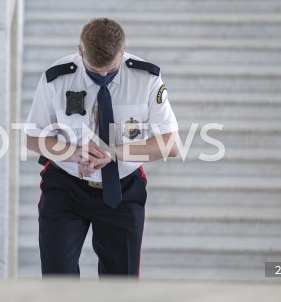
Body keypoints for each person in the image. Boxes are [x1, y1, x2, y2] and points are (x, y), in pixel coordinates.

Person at [25, 17, 179, 277]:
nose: (104, 76)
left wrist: (113, 153)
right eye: (95, 71)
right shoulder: (57, 77)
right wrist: (74, 153)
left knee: (121, 282)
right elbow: (32, 137)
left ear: (123, 50)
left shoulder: (147, 78)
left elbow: (170, 144)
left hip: (123, 187)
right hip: (66, 187)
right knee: (57, 280)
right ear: (80, 50)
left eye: (111, 69)